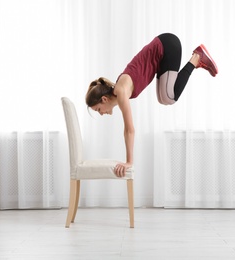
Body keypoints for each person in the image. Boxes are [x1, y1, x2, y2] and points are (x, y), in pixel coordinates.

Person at [85, 33, 218, 177]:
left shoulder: (121, 91)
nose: (101, 113)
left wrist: (129, 162)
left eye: (98, 109)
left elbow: (129, 130)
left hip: (167, 46)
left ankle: (197, 57)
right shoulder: (120, 89)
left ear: (104, 99)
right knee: (164, 99)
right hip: (163, 51)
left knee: (168, 96)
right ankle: (197, 59)